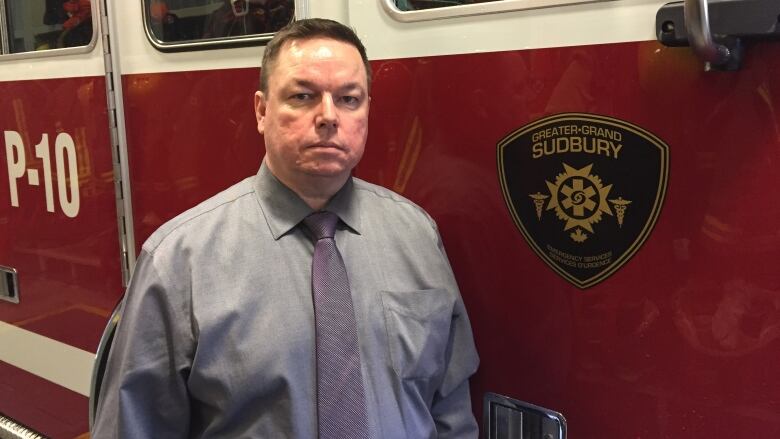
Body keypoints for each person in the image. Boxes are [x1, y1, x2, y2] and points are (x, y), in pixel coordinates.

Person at [92, 18, 479, 438]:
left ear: (367, 110)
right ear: (261, 111)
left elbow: (451, 405)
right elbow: (133, 427)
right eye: (302, 96)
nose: (328, 116)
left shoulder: (417, 237)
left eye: (349, 99)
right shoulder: (178, 262)